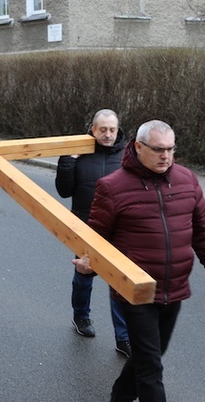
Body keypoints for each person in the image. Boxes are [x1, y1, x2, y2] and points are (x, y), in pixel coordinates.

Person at [78, 119, 205, 402]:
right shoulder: (112, 187)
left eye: (171, 149)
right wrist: (88, 267)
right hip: (136, 292)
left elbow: (204, 231)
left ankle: (120, 396)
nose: (166, 156)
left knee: (151, 354)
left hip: (175, 287)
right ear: (138, 147)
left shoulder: (187, 180)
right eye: (159, 149)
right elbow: (95, 240)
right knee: (151, 368)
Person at [55, 109, 130, 357]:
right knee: (84, 274)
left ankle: (123, 337)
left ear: (118, 130)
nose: (108, 134)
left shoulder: (129, 155)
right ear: (93, 129)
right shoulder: (80, 153)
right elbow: (64, 191)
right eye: (103, 129)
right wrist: (68, 160)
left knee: (120, 281)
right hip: (87, 225)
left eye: (112, 130)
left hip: (121, 227)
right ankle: (81, 317)